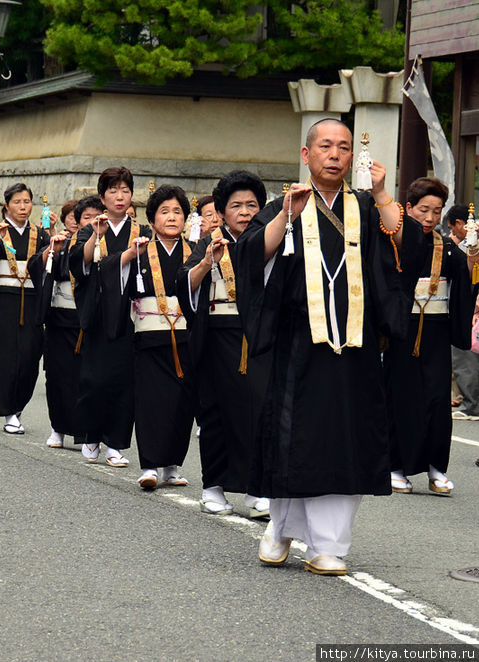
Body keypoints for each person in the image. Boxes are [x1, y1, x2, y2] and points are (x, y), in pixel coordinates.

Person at [235, 118, 413, 576]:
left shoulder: (364, 207)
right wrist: (285, 218)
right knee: (295, 438)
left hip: (353, 347)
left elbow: (403, 242)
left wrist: (382, 192)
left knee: (345, 439)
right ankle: (279, 529)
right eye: (326, 146)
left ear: (353, 157)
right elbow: (252, 256)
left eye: (344, 148)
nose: (335, 154)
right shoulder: (284, 204)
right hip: (298, 345)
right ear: (306, 154)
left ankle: (328, 545)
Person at [180, 171, 272, 517]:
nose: (245, 211)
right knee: (216, 411)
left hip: (260, 337)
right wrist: (206, 264)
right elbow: (183, 283)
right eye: (236, 206)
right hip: (219, 335)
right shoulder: (209, 242)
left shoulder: (270, 240)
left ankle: (257, 488)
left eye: (252, 205)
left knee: (260, 411)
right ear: (221, 211)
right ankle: (213, 486)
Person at [385, 178, 475, 496]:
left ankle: (436, 468)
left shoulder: (446, 248)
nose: (430, 218)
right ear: (408, 208)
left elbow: (464, 288)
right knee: (401, 398)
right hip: (402, 331)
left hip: (435, 333)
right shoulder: (394, 242)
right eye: (424, 210)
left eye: (437, 211)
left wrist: (473, 259)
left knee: (437, 401)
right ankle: (396, 466)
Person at [103, 184, 196, 488]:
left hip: (184, 337)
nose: (172, 217)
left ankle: (172, 465)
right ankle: (150, 466)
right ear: (152, 219)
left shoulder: (195, 253)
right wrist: (129, 256)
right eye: (164, 212)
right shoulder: (141, 252)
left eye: (178, 212)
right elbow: (114, 278)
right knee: (149, 402)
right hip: (148, 337)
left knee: (182, 404)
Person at [68, 166, 149, 467]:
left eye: (125, 190)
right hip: (99, 313)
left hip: (130, 315)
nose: (120, 196)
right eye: (113, 191)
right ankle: (91, 436)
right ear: (102, 196)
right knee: (94, 379)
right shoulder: (91, 229)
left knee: (123, 380)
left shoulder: (142, 232)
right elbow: (80, 264)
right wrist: (96, 238)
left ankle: (116, 443)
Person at [0, 183, 51, 433]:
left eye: (27, 201)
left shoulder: (40, 234)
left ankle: (18, 405)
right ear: (6, 205)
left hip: (30, 302)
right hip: (3, 302)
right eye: (17, 202)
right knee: (5, 360)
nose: (23, 207)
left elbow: (48, 265)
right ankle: (7, 411)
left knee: (29, 358)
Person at [30, 197, 98, 448]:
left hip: (89, 322)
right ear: (77, 223)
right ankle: (58, 427)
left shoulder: (105, 247)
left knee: (87, 380)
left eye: (96, 217)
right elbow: (37, 267)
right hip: (61, 320)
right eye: (87, 218)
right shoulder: (63, 243)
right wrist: (51, 251)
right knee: (58, 378)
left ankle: (85, 432)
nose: (92, 222)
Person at [445, 204, 479, 421]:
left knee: (466, 355)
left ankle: (471, 406)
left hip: (473, 309)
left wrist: (476, 306)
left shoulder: (469, 247)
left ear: (461, 224)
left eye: (452, 228)